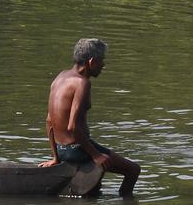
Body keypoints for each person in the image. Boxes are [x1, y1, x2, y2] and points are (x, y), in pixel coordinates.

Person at [40, 38, 141, 196]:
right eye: (102, 61)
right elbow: (72, 127)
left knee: (95, 188)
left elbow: (49, 121)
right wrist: (96, 156)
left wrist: (55, 157)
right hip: (77, 150)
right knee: (134, 170)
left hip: (61, 150)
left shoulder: (60, 77)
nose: (103, 66)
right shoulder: (81, 83)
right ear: (91, 61)